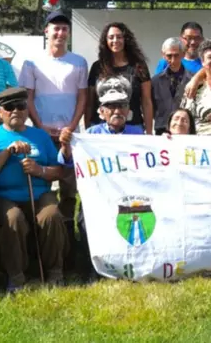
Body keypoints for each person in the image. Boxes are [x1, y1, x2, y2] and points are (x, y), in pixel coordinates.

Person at [0, 88, 68, 291]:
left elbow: (59, 171)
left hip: (39, 193)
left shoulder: (40, 136)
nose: (16, 111)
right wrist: (8, 151)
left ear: (27, 110)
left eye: (20, 106)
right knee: (13, 218)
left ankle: (55, 272)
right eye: (10, 107)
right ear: (0, 112)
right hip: (3, 195)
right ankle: (15, 275)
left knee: (51, 215)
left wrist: (39, 170)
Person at [59, 80, 147, 279]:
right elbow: (67, 162)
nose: (117, 111)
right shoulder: (91, 134)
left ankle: (130, 263)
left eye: (122, 106)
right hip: (99, 193)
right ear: (101, 112)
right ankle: (91, 267)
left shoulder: (138, 133)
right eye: (111, 106)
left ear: (128, 111)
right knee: (85, 222)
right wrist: (65, 145)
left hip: (128, 193)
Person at [19, 11, 88, 235]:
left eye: (64, 29)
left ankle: (66, 234)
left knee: (69, 187)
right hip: (41, 134)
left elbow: (83, 98)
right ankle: (42, 231)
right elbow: (28, 97)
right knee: (41, 183)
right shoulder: (31, 62)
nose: (60, 33)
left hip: (70, 135)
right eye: (56, 28)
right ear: (46, 31)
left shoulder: (79, 62)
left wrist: (72, 126)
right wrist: (39, 125)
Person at [87, 22, 152, 133]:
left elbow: (146, 101)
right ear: (105, 41)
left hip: (132, 128)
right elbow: (90, 102)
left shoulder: (139, 66)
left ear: (126, 39)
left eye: (119, 37)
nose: (115, 40)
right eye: (111, 37)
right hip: (101, 130)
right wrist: (87, 130)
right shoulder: (97, 67)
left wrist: (149, 132)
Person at [151, 37, 193, 135]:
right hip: (161, 130)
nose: (173, 60)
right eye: (169, 56)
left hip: (186, 130)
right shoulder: (155, 81)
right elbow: (150, 107)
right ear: (163, 55)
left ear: (183, 54)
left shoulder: (193, 80)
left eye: (176, 55)